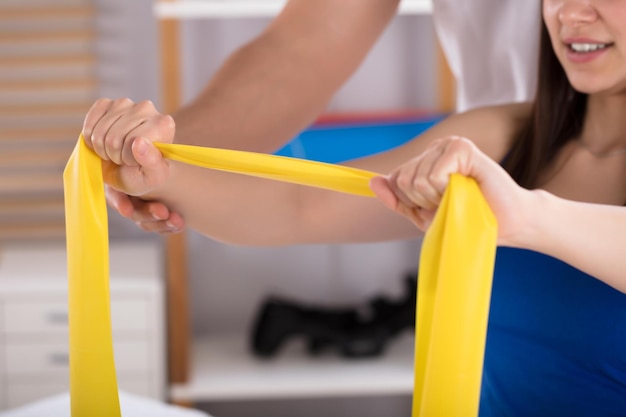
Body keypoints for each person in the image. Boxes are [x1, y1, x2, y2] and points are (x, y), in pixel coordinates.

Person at [82, 0, 626, 415]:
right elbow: (298, 205)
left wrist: (531, 217)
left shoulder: (500, 172)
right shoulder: (500, 135)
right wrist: (156, 163)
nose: (573, 12)